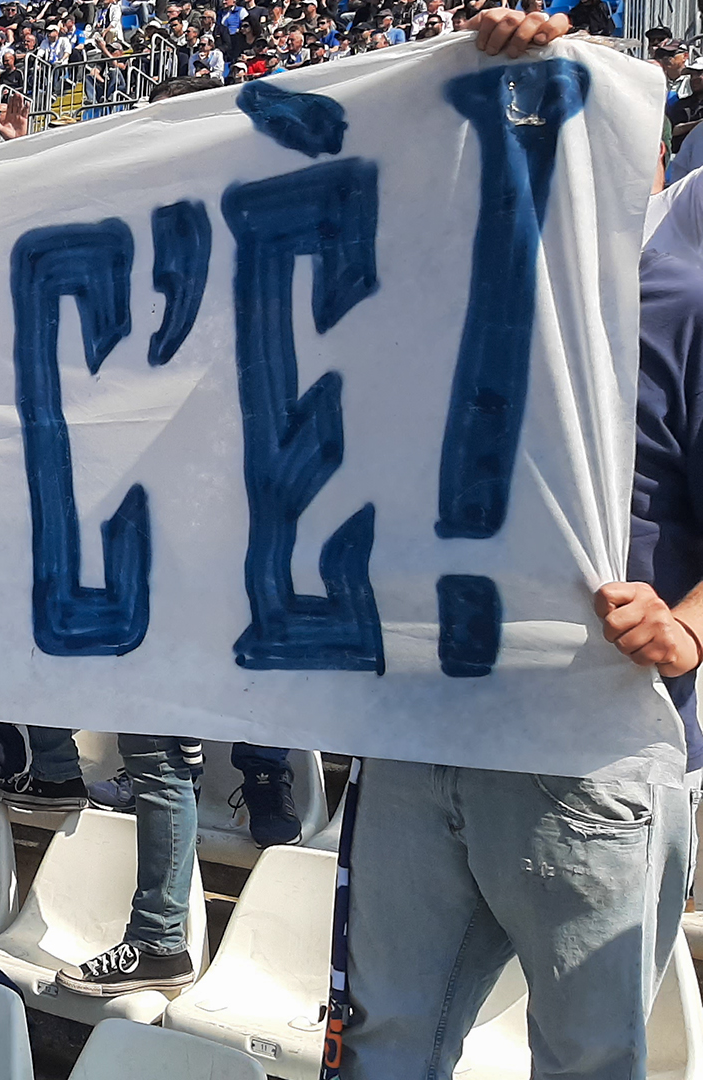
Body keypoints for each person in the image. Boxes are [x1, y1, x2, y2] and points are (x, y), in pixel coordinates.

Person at [334, 10, 696, 1080]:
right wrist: (464, 67)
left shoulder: (679, 297)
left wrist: (687, 623)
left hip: (587, 745)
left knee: (586, 1062)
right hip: (418, 724)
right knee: (383, 1047)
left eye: (555, 118)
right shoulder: (426, 288)